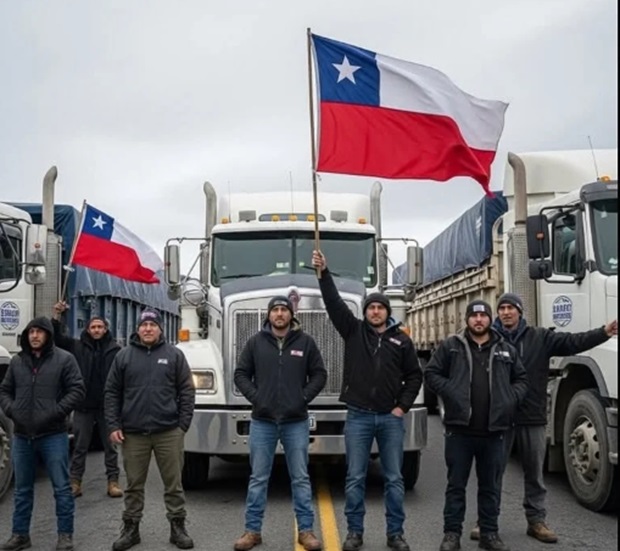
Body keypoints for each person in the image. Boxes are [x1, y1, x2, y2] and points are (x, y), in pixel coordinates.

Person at [469, 293, 618, 544]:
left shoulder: (539, 337)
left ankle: (536, 521)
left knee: (534, 473)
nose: (506, 312)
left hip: (532, 415)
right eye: (502, 308)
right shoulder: (489, 339)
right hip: (499, 417)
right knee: (492, 472)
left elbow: (573, 342)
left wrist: (603, 332)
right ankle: (485, 520)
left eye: (511, 308)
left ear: (520, 312)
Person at [311, 250, 422, 551]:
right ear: (365, 312)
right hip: (358, 416)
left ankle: (395, 534)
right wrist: (324, 273)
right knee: (355, 478)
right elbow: (333, 302)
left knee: (394, 479)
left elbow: (415, 376)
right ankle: (354, 532)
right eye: (371, 308)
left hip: (390, 419)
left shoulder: (402, 340)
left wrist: (401, 407)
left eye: (380, 308)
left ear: (387, 312)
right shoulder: (353, 331)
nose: (375, 312)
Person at [425, 299, 528, 551]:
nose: (479, 320)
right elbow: (431, 373)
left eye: (483, 316)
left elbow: (522, 379)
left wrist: (510, 398)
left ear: (490, 319)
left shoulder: (505, 349)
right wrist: (451, 391)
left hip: (494, 432)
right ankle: (452, 535)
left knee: (490, 487)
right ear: (467, 319)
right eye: (474, 316)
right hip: (459, 431)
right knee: (456, 486)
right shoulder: (451, 346)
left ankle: (489, 534)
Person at [233, 296, 327, 551]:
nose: (279, 314)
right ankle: (252, 532)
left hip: (295, 421)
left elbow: (319, 374)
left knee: (300, 478)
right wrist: (257, 398)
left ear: (290, 315)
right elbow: (240, 374)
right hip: (262, 421)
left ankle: (306, 531)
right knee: (258, 478)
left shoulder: (305, 343)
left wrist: (302, 398)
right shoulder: (255, 343)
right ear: (269, 315)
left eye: (284, 309)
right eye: (275, 310)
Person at [104, 309, 196, 551]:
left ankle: (178, 528)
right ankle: (131, 529)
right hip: (133, 434)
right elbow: (111, 392)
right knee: (133, 485)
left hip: (169, 432)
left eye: (152, 325)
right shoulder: (123, 356)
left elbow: (187, 390)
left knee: (174, 485)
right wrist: (113, 424)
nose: (147, 329)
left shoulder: (174, 355)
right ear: (137, 329)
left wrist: (182, 425)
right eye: (144, 325)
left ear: (160, 329)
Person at [0, 317, 85, 551]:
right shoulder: (17, 362)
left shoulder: (64, 359)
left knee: (62, 488)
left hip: (53, 435)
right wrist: (12, 410)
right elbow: (4, 390)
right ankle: (20, 535)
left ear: (48, 335)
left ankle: (65, 535)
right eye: (31, 332)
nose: (34, 336)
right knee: (22, 490)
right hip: (22, 436)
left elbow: (77, 390)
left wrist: (56, 412)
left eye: (39, 332)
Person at [52, 301, 123, 498]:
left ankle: (113, 482)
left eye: (100, 327)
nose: (96, 330)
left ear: (105, 329)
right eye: (93, 327)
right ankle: (75, 482)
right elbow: (57, 339)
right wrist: (57, 316)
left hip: (107, 407)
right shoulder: (77, 346)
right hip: (83, 405)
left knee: (110, 447)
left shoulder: (115, 350)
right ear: (88, 329)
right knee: (80, 447)